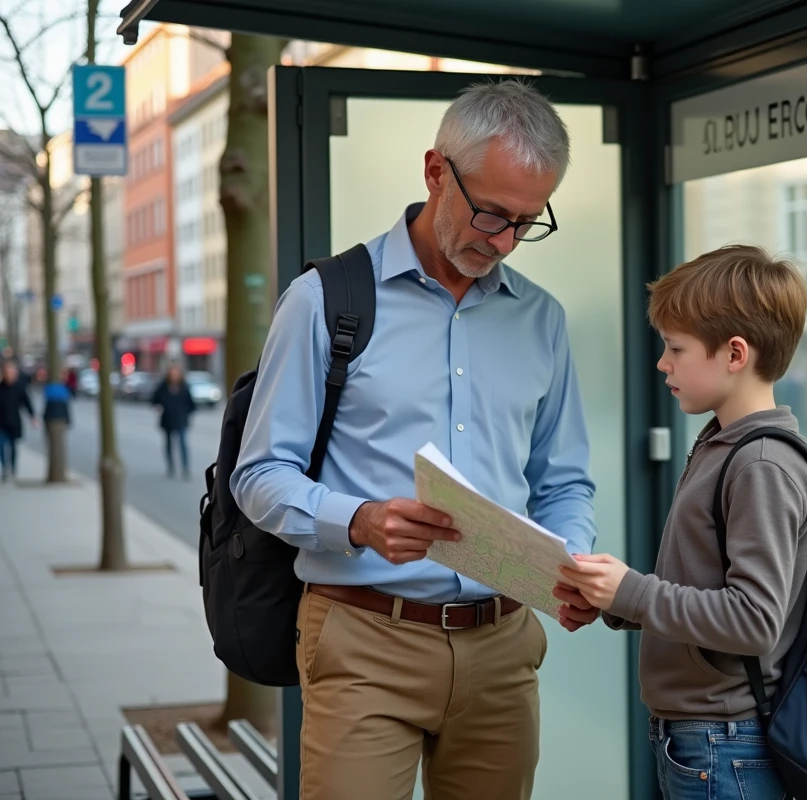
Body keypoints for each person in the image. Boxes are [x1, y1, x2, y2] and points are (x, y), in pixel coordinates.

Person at [231, 78, 601, 800]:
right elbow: (258, 474)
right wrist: (358, 520)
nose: (502, 241)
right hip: (364, 639)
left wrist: (569, 560)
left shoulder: (543, 320)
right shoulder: (323, 302)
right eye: (491, 212)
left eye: (526, 222)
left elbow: (563, 481)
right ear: (436, 171)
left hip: (502, 645)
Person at [559, 244, 807, 800]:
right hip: (704, 737)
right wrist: (616, 601)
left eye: (676, 348)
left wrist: (631, 591)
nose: (662, 363)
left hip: (725, 742)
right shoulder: (722, 444)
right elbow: (703, 592)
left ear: (734, 354)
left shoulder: (760, 463)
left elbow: (752, 620)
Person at [152, 364, 197, 479]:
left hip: (181, 419)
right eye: (172, 374)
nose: (174, 376)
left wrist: (185, 413)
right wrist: (159, 407)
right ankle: (171, 467)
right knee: (168, 444)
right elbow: (154, 400)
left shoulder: (184, 387)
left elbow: (191, 404)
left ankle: (185, 468)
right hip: (167, 420)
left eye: (176, 374)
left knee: (183, 444)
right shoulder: (163, 387)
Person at [0, 359, 36, 482]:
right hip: (1, 423)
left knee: (13, 446)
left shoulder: (19, 388)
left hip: (14, 422)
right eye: (7, 372)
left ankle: (13, 468)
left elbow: (27, 403)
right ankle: (5, 467)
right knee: (1, 446)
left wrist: (33, 417)